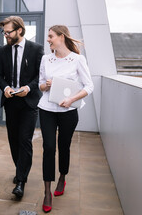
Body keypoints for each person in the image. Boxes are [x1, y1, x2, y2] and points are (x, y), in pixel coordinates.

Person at [38, 25, 94, 213]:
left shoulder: (77, 59)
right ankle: (47, 191)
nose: (48, 39)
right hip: (47, 109)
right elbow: (40, 85)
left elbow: (89, 86)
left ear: (61, 37)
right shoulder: (46, 59)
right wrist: (45, 85)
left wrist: (71, 99)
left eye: (51, 36)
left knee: (63, 146)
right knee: (48, 147)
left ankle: (62, 177)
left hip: (68, 111)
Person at [0, 16, 44, 199]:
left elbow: (40, 76)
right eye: (4, 32)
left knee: (25, 140)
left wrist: (28, 88)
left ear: (20, 31)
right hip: (10, 102)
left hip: (29, 102)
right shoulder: (2, 51)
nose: (6, 35)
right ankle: (20, 169)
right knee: (13, 140)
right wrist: (6, 87)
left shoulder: (36, 49)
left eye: (8, 32)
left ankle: (21, 180)